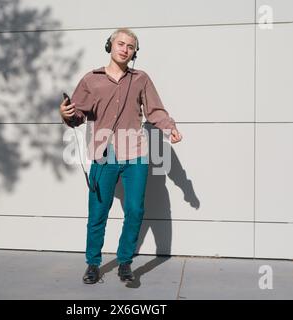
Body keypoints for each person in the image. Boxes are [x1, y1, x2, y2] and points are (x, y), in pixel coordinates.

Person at [59, 28, 182, 284]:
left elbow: (155, 110)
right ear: (110, 45)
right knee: (98, 213)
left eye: (130, 46)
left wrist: (170, 127)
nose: (125, 49)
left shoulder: (141, 79)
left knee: (135, 210)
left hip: (135, 153)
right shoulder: (91, 80)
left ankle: (125, 262)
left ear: (135, 52)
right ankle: (93, 264)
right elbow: (77, 115)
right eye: (121, 43)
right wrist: (66, 113)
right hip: (104, 155)